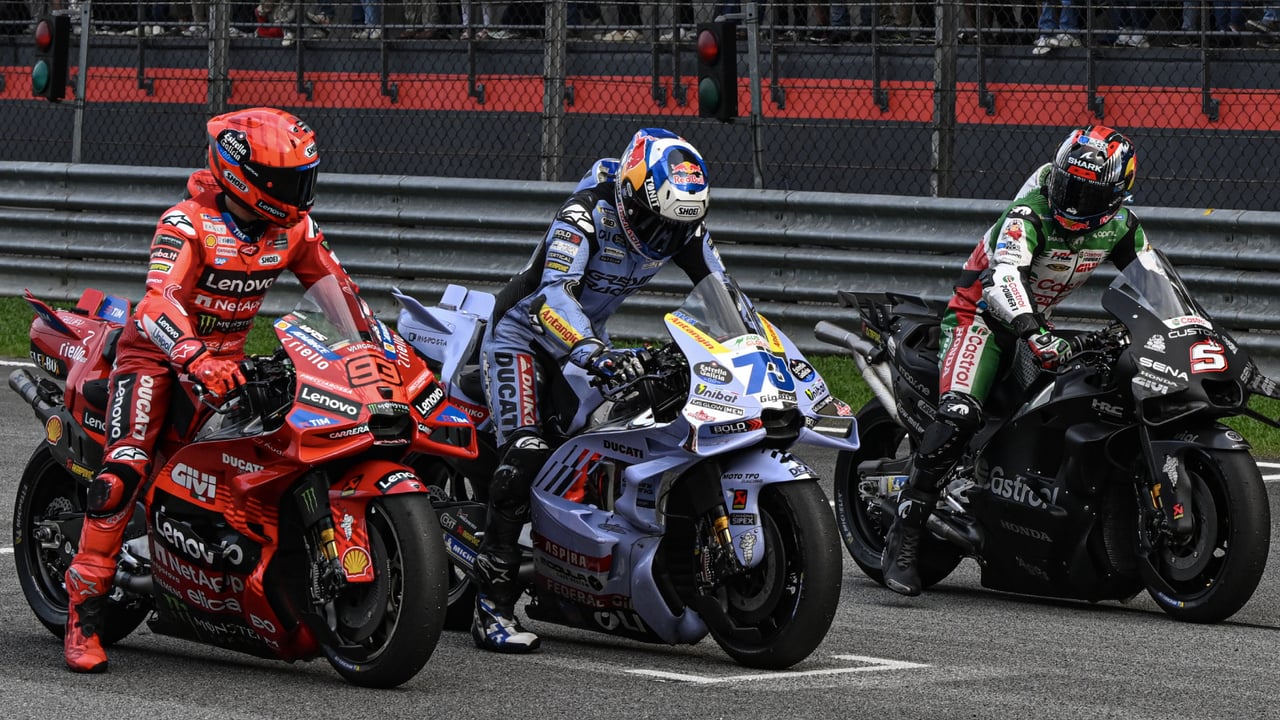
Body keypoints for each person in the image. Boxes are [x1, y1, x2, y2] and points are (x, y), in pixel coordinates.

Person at [63, 107, 362, 673]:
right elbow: (155, 303)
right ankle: (84, 612)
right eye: (288, 181)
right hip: (155, 358)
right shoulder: (186, 223)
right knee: (123, 470)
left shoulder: (295, 229)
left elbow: (340, 297)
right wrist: (191, 356)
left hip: (229, 364)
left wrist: (374, 349)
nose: (301, 192)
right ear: (246, 177)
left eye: (306, 178)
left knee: (279, 452)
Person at [471, 128, 730, 653]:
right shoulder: (584, 215)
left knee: (621, 434)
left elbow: (722, 294)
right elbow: (552, 297)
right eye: (653, 222)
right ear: (632, 196)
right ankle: (490, 607)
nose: (662, 237)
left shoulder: (682, 225)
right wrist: (593, 352)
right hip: (524, 336)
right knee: (524, 450)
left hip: (590, 340)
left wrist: (742, 345)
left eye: (674, 227)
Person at [880, 125, 1149, 597]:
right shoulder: (1030, 212)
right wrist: (1035, 334)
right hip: (981, 317)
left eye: (1087, 193)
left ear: (1115, 194)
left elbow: (1153, 279)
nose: (1073, 199)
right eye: (1069, 185)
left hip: (1035, 321)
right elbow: (1003, 279)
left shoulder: (1122, 226)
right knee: (961, 412)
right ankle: (906, 526)